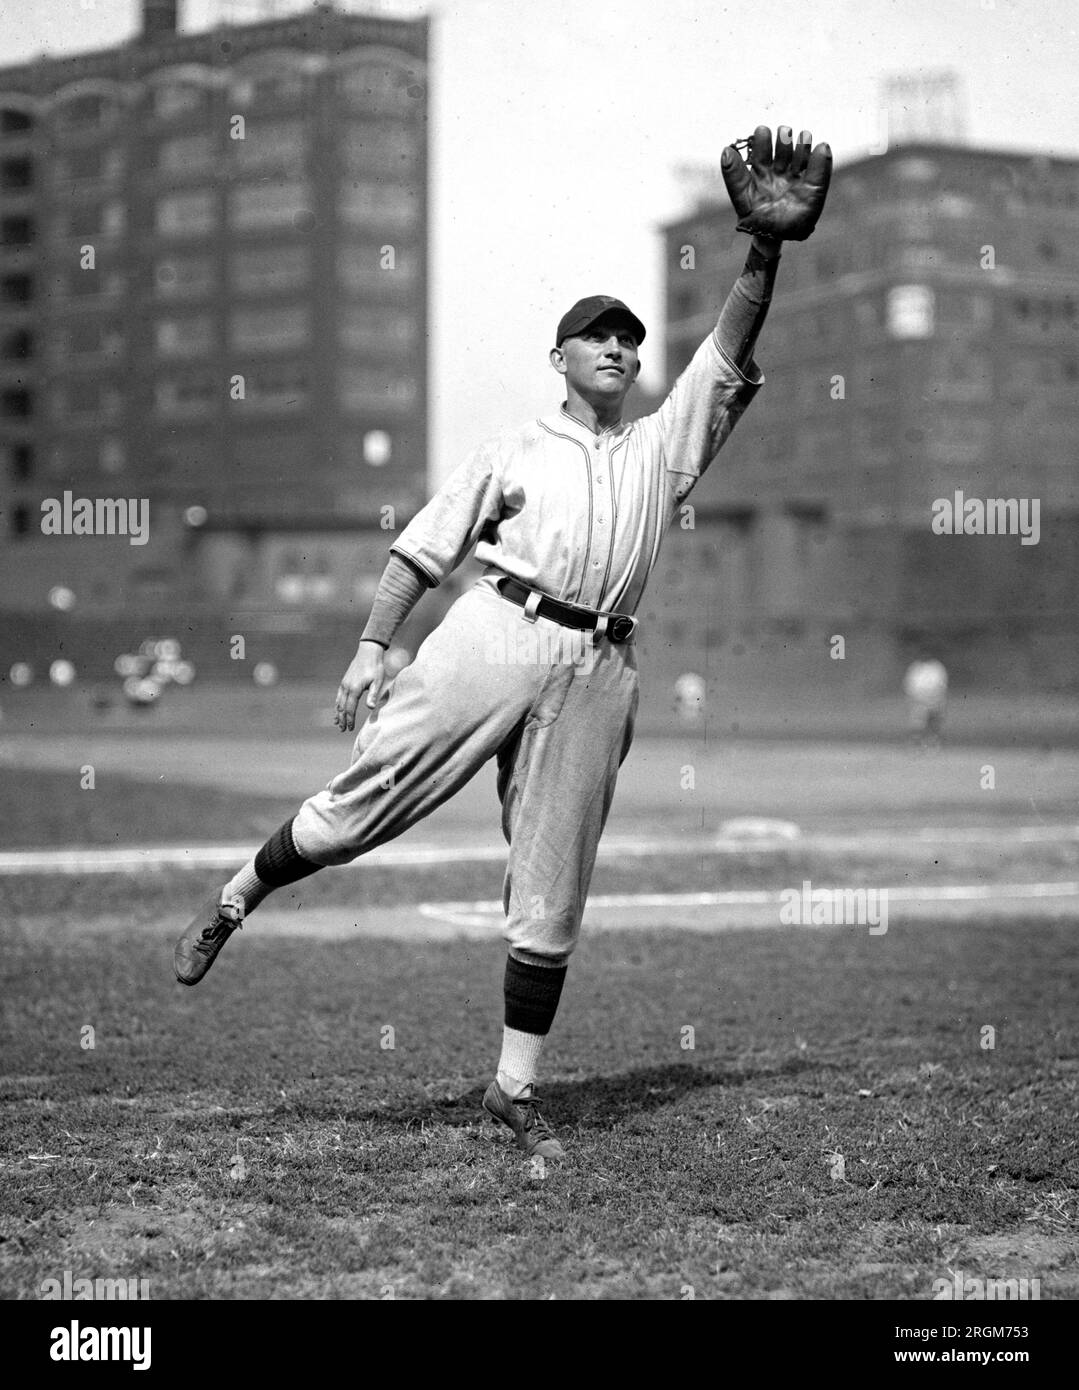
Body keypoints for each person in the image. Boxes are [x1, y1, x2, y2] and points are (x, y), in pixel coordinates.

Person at [174, 125, 832, 1161]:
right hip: (495, 630)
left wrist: (765, 251)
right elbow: (421, 550)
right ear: (559, 358)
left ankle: (512, 1089)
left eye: (626, 337)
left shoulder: (665, 449)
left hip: (600, 663)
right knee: (361, 809)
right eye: (595, 336)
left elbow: (725, 354)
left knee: (552, 879)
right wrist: (368, 646)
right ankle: (235, 897)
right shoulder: (514, 446)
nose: (617, 347)